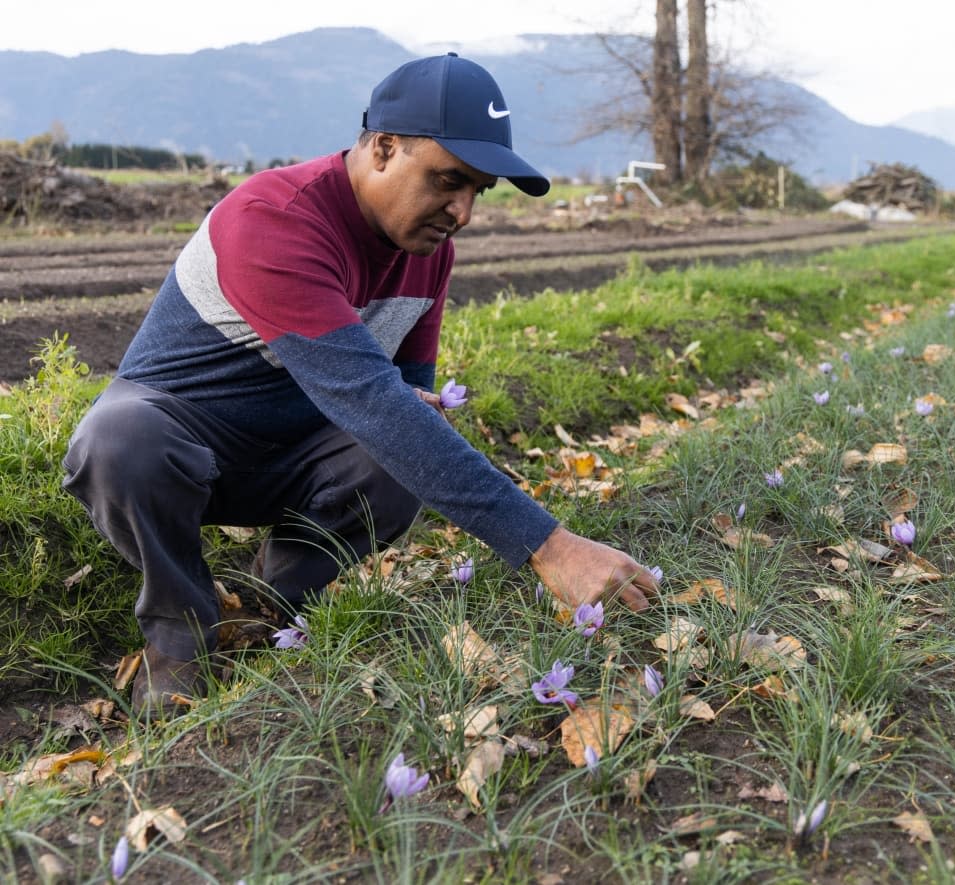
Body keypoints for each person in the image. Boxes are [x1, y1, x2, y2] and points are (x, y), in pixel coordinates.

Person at [62, 53, 660, 718]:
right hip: (184, 442)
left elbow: (407, 402)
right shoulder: (275, 219)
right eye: (448, 180)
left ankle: (267, 603)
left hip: (292, 454)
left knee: (406, 450)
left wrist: (419, 415)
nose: (462, 212)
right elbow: (373, 403)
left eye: (477, 192)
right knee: (119, 440)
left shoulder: (425, 251)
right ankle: (180, 635)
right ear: (383, 148)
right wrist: (548, 545)